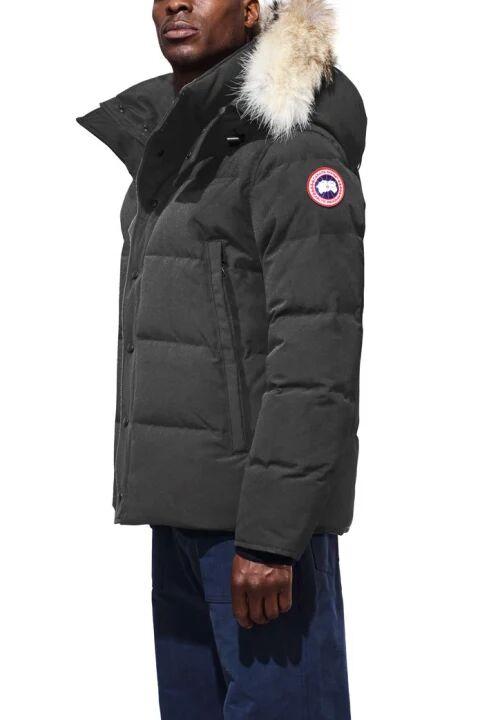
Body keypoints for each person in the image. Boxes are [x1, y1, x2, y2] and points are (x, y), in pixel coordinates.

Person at [76, 0, 366, 717]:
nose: (174, 4)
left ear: (252, 11)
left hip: (257, 534)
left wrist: (272, 539)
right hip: (181, 521)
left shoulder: (290, 149)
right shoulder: (180, 155)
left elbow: (317, 355)